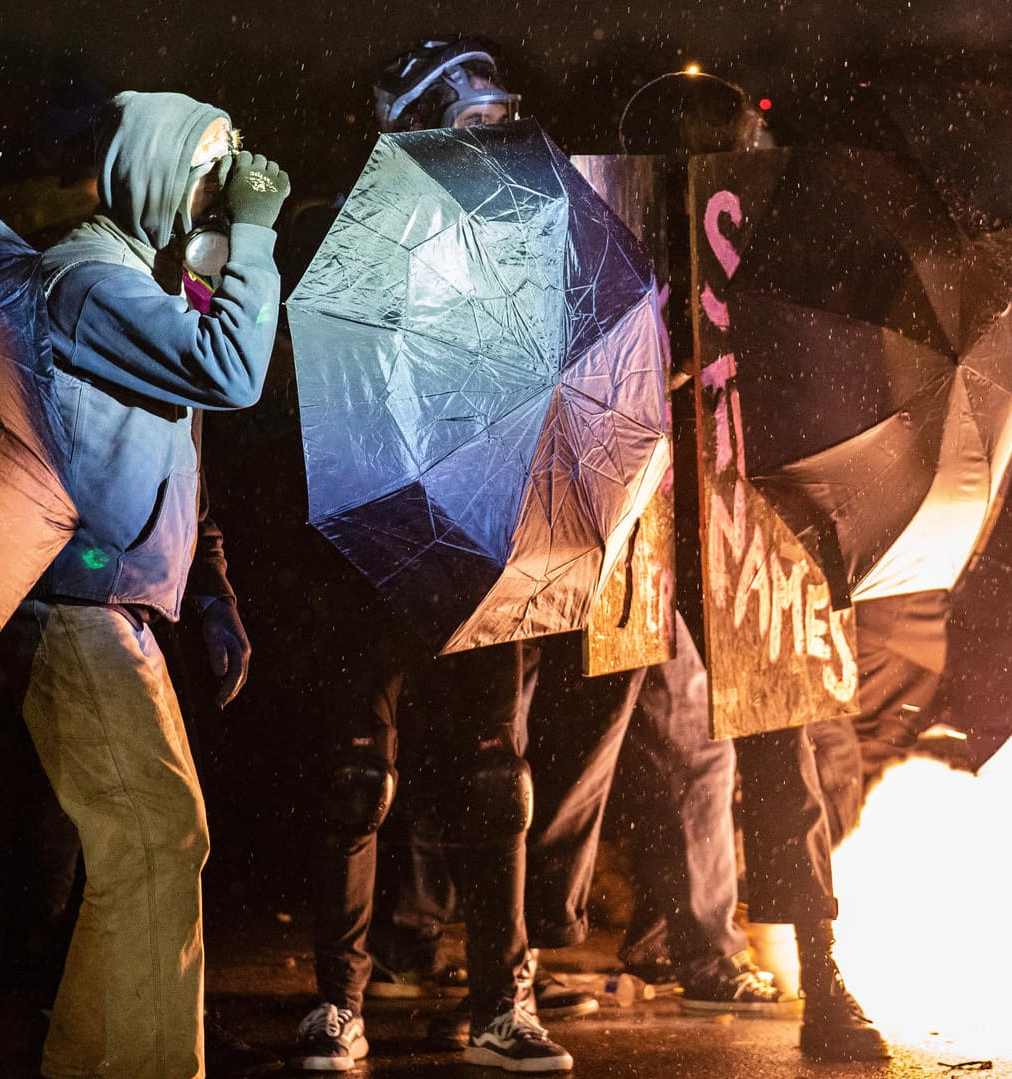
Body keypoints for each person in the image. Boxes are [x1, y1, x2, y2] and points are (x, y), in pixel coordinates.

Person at [291, 38, 628, 1074]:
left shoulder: (534, 230)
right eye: (463, 115)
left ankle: (501, 1000)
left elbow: (582, 362)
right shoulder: (335, 225)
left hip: (491, 535)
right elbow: (302, 394)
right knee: (358, 776)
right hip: (366, 533)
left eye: (493, 118)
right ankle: (338, 1003)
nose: (485, 133)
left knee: (497, 781)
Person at [14, 90, 287, 1079]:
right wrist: (252, 239)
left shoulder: (139, 280)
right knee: (157, 842)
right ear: (155, 172)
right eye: (207, 179)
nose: (218, 202)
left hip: (113, 611)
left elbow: (185, 447)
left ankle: (85, 1058)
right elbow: (233, 372)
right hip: (71, 611)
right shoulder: (85, 282)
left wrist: (208, 586)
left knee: (143, 853)